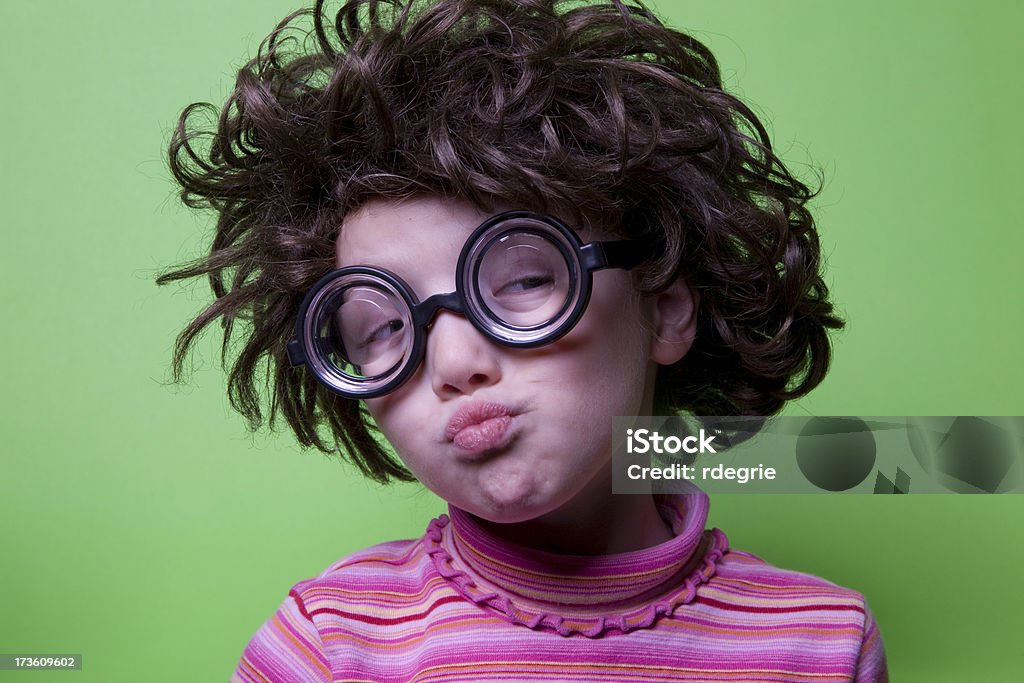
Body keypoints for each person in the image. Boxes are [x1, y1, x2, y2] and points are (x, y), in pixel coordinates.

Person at [159, 0, 888, 680]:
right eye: (383, 327)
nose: (453, 363)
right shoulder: (326, 643)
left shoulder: (823, 640)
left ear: (664, 308)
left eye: (522, 282)